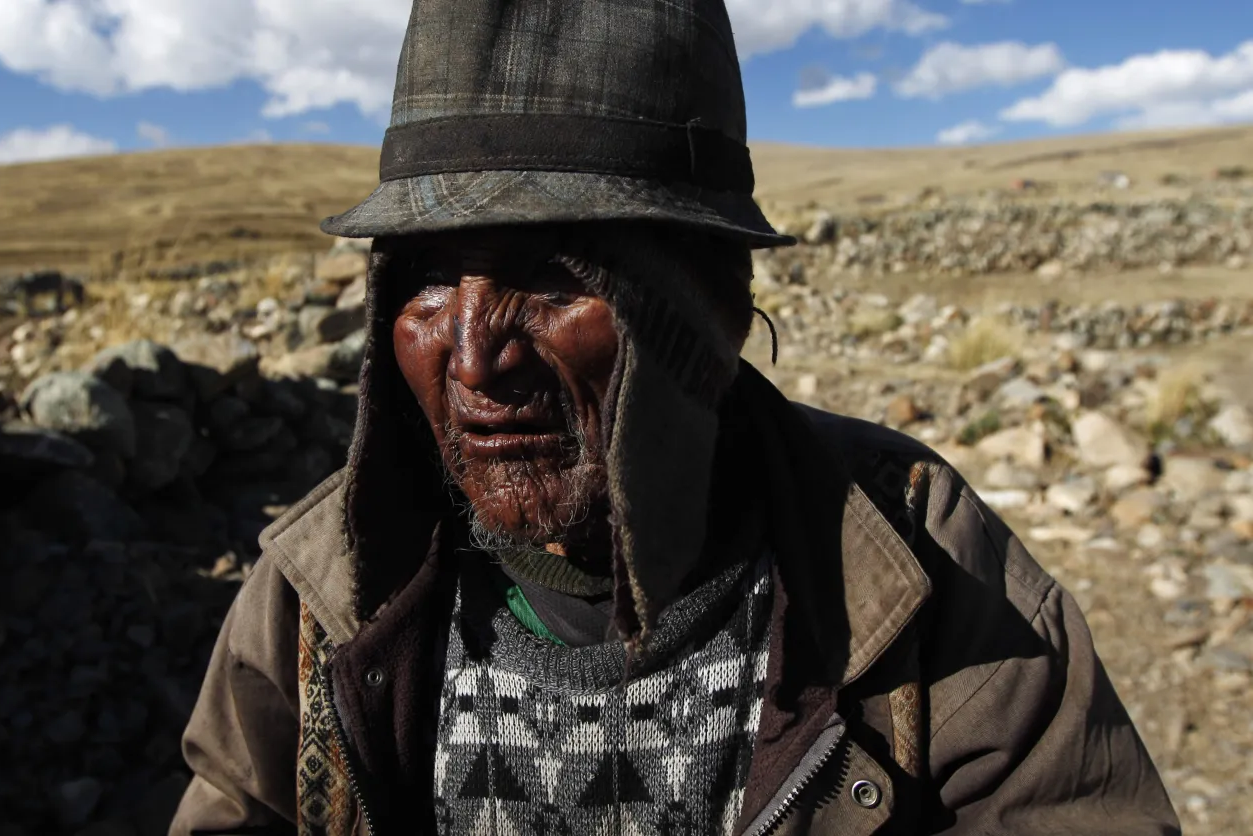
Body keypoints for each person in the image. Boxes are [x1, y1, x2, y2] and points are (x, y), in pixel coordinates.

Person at [171, 0, 1180, 832]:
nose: (472, 358)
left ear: (708, 310)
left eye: (553, 275)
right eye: (426, 284)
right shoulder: (320, 591)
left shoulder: (913, 558)